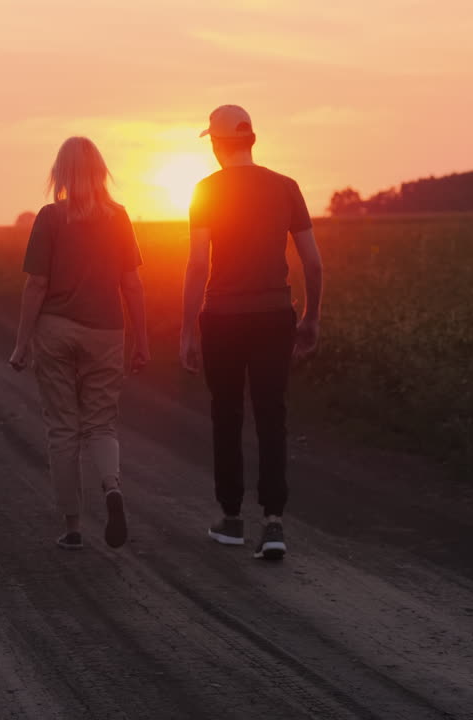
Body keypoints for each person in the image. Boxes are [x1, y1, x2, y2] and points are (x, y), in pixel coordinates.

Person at [181, 105, 324, 561]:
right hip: (274, 315)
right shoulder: (286, 187)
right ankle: (274, 524)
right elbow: (314, 262)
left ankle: (230, 518)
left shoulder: (205, 190)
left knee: (227, 414)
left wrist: (186, 329)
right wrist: (312, 317)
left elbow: (198, 263)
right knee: (271, 415)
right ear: (252, 140)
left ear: (219, 145)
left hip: (221, 317)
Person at [9, 137, 150, 551]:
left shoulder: (51, 218)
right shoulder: (119, 218)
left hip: (55, 331)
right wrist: (141, 340)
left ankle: (73, 528)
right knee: (101, 423)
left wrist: (21, 344)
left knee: (63, 429)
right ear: (99, 171)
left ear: (61, 173)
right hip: (107, 331)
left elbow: (36, 284)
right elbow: (133, 285)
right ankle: (111, 488)